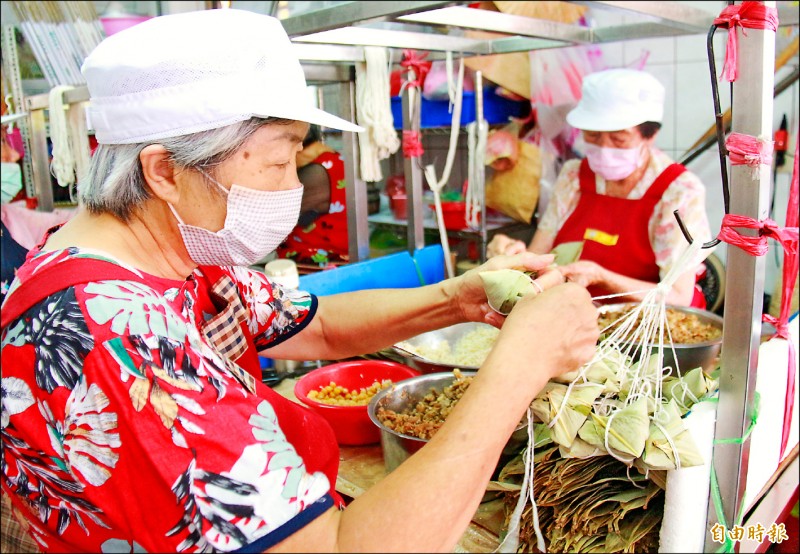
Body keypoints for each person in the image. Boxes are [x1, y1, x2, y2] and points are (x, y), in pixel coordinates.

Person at [0, 9, 599, 553]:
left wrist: (455, 297)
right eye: (277, 161)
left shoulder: (174, 263)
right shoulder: (111, 337)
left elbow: (316, 325)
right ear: (164, 171)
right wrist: (518, 369)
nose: (293, 186)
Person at [487, 68, 712, 307]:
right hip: (575, 313)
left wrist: (601, 277)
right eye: (593, 136)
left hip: (649, 326)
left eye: (619, 139)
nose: (604, 149)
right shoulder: (573, 176)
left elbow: (678, 296)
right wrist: (516, 256)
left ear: (650, 135)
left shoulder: (679, 192)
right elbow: (539, 258)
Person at [275, 124, 349, 266]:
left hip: (319, 259)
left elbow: (275, 217)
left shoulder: (316, 172)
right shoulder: (330, 158)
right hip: (337, 253)